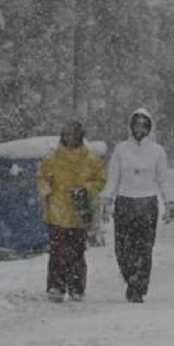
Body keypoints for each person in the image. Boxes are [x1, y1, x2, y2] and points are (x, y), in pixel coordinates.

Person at [100, 108, 174, 303]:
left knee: (144, 248)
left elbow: (164, 179)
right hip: (125, 202)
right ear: (131, 126)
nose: (140, 128)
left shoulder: (158, 151)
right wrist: (107, 200)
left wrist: (169, 202)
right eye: (136, 124)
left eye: (144, 125)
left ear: (149, 127)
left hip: (147, 202)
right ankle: (130, 276)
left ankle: (139, 285)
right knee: (122, 248)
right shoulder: (120, 149)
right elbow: (113, 178)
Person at [36, 120, 107, 302]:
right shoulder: (52, 158)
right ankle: (56, 287)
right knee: (57, 253)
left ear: (79, 136)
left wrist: (86, 189)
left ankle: (76, 288)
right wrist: (46, 190)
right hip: (57, 213)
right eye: (66, 135)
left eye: (73, 135)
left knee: (77, 253)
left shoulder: (91, 159)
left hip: (79, 213)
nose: (69, 138)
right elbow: (42, 177)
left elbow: (101, 180)